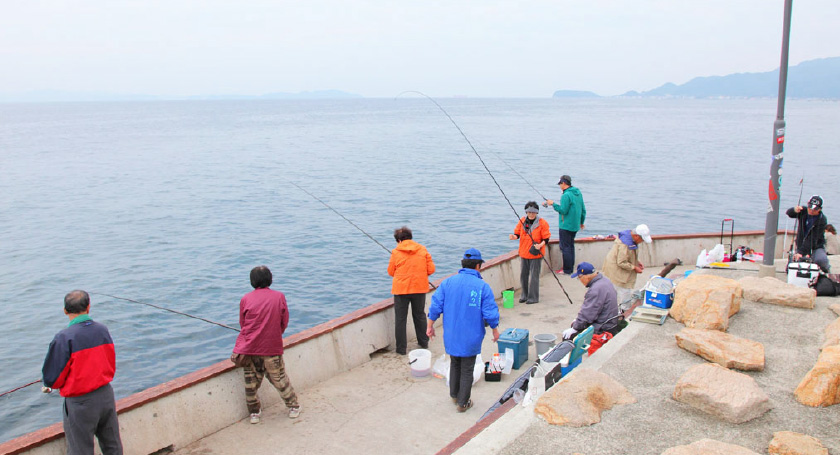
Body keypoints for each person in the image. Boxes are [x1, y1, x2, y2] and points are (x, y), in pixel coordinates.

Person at [42, 290, 123, 455]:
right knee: (113, 446)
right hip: (106, 395)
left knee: (81, 450)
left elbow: (52, 379)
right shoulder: (102, 330)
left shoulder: (63, 338)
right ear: (88, 307)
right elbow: (110, 362)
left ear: (65, 310)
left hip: (80, 403)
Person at [426, 248, 500, 413]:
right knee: (467, 367)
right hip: (471, 334)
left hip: (451, 334)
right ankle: (463, 402)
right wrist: (495, 330)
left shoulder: (447, 283)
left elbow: (435, 306)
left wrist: (429, 326)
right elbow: (490, 313)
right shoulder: (482, 286)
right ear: (478, 266)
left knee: (455, 362)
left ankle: (454, 395)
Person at [232, 266, 301, 424]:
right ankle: (293, 407)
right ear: (270, 279)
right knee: (280, 379)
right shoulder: (279, 297)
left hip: (249, 349)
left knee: (251, 384)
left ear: (252, 281)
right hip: (271, 347)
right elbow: (284, 322)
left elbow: (243, 325)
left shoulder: (245, 299)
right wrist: (274, 335)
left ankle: (254, 413)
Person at [388, 226, 436, 355]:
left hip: (401, 290)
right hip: (419, 288)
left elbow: (391, 272)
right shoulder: (422, 249)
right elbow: (431, 269)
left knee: (400, 319)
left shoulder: (396, 252)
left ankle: (401, 349)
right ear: (411, 237)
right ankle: (423, 342)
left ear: (398, 240)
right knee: (419, 315)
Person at [563, 263, 620, 355]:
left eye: (579, 278)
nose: (580, 281)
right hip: (610, 321)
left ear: (585, 277)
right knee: (576, 323)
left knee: (568, 337)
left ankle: (568, 362)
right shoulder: (604, 281)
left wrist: (575, 327)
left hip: (603, 326)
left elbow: (587, 314)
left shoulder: (595, 290)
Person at [601, 224, 653, 309]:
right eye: (642, 239)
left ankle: (615, 308)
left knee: (615, 291)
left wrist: (637, 262)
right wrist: (634, 267)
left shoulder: (630, 238)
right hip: (616, 270)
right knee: (624, 291)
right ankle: (624, 311)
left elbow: (629, 255)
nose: (642, 242)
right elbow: (621, 262)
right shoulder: (625, 245)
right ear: (636, 236)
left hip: (614, 265)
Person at [509, 202, 551, 304]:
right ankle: (524, 295)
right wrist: (514, 237)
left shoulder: (542, 223)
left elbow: (546, 238)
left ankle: (533, 298)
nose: (531, 214)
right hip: (524, 252)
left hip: (536, 253)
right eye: (529, 212)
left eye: (533, 212)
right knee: (523, 275)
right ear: (526, 212)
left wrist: (540, 245)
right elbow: (517, 233)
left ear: (537, 212)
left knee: (534, 276)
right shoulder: (522, 221)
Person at [545, 175, 586, 275]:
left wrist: (552, 204)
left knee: (565, 247)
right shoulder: (578, 193)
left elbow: (563, 210)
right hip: (575, 225)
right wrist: (581, 222)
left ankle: (567, 270)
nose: (559, 186)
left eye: (560, 184)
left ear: (563, 183)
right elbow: (583, 209)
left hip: (566, 226)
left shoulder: (565, 195)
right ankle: (570, 268)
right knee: (570, 246)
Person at [786, 195, 830, 272]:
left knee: (821, 260)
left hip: (816, 246)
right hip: (801, 244)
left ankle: (826, 268)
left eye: (815, 209)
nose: (811, 210)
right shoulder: (803, 212)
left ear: (819, 209)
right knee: (795, 267)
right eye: (810, 207)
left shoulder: (822, 219)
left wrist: (801, 252)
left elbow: (812, 239)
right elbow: (789, 213)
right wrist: (794, 210)